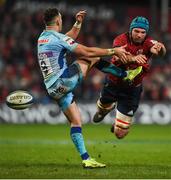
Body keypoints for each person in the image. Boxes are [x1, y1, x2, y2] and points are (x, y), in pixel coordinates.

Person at [37, 8, 143, 168]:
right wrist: (113, 50)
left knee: (76, 121)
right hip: (63, 81)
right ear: (59, 21)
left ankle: (86, 159)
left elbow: (66, 38)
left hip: (53, 90)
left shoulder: (43, 38)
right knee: (91, 56)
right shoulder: (56, 38)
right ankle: (124, 75)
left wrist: (78, 23)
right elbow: (85, 50)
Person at [93, 16, 166, 139]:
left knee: (120, 134)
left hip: (132, 90)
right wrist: (133, 58)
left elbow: (161, 53)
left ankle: (118, 123)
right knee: (102, 109)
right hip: (113, 83)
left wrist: (161, 48)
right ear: (130, 30)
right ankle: (104, 111)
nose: (139, 35)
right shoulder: (121, 39)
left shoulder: (149, 42)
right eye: (136, 31)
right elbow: (117, 56)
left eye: (143, 32)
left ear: (146, 33)